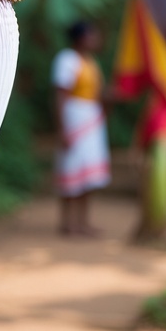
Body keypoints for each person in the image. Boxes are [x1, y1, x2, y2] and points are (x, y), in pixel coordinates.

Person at [53, 20, 111, 236]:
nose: (95, 39)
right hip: (74, 118)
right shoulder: (67, 60)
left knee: (87, 174)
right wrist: (62, 129)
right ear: (80, 38)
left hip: (92, 121)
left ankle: (83, 222)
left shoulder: (92, 63)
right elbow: (60, 95)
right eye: (91, 35)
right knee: (71, 169)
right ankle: (67, 222)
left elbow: (97, 94)